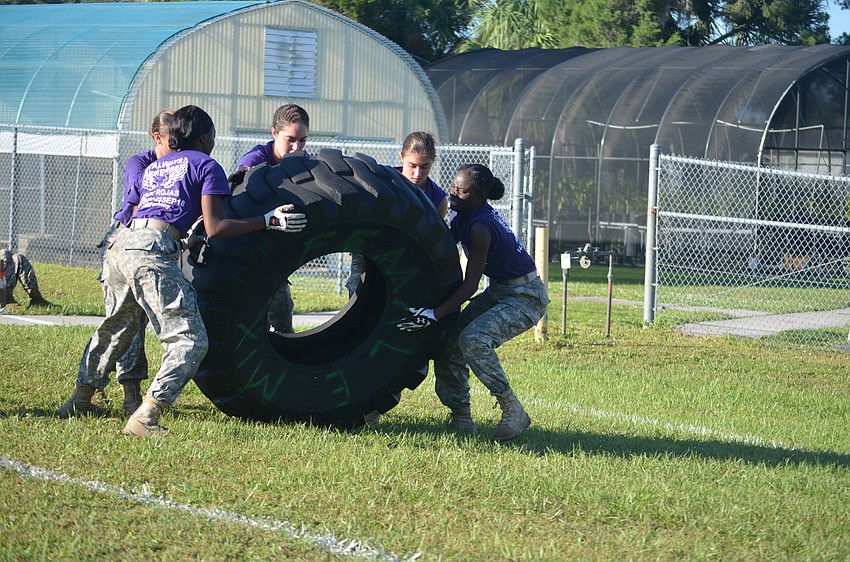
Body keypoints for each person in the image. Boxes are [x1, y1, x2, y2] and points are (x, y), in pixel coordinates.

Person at [56, 105, 307, 437]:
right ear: (204, 137)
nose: (215, 142)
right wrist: (267, 220)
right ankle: (146, 416)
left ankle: (80, 398)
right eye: (214, 136)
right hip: (151, 249)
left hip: (121, 244)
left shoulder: (157, 165)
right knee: (190, 341)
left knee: (117, 327)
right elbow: (216, 226)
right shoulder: (206, 164)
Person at [397, 163, 549, 442]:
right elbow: (438, 246)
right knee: (450, 341)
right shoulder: (461, 214)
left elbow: (470, 285)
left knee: (474, 340)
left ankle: (512, 409)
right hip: (501, 291)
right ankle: (462, 418)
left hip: (525, 297)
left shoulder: (480, 226)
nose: (453, 194)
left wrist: (433, 314)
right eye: (453, 187)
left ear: (479, 196)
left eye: (462, 191)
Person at [97, 109, 174, 417]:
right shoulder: (139, 163)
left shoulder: (182, 163)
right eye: (173, 140)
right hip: (127, 243)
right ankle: (130, 395)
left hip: (161, 246)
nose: (179, 147)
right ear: (157, 137)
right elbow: (143, 200)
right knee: (127, 322)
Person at [231, 104, 310, 333]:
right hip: (248, 250)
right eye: (290, 140)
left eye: (303, 140)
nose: (297, 148)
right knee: (252, 324)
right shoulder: (255, 160)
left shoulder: (301, 163)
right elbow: (239, 201)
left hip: (276, 254)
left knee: (283, 320)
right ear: (274, 133)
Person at [346, 131, 447, 296]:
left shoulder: (438, 199)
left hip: (406, 261)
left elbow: (431, 240)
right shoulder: (381, 182)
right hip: (369, 252)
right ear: (401, 157)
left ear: (433, 161)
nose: (417, 173)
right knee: (362, 299)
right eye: (412, 165)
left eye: (425, 167)